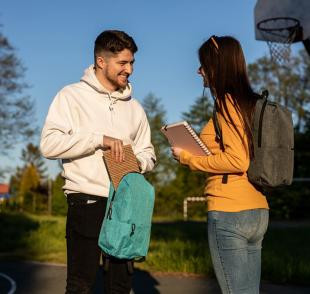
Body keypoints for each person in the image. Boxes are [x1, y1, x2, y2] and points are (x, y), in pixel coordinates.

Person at [40, 30, 156, 294]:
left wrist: (136, 162)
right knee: (81, 285)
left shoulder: (135, 108)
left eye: (132, 63)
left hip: (126, 207)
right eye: (123, 63)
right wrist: (97, 139)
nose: (130, 70)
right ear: (101, 62)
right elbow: (49, 144)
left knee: (120, 286)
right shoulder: (70, 96)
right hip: (86, 201)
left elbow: (149, 153)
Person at [171, 36, 269, 294]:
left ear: (215, 65)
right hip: (257, 209)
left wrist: (188, 158)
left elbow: (238, 159)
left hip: (229, 211)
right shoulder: (249, 102)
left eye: (203, 64)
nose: (199, 70)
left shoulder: (227, 102)